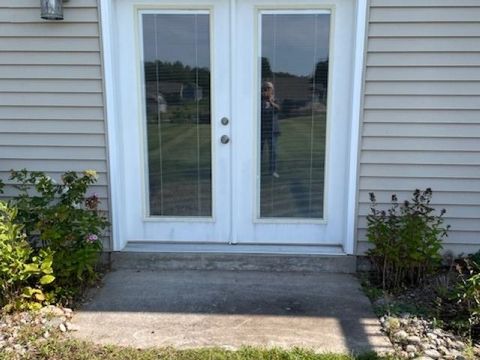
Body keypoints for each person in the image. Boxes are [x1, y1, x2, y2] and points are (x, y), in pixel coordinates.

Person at [260, 81, 280, 178]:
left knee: (273, 151)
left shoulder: (275, 100)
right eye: (265, 89)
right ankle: (257, 170)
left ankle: (272, 171)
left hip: (273, 130)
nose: (267, 91)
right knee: (259, 151)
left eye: (269, 89)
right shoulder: (258, 101)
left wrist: (271, 102)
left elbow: (279, 109)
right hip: (261, 130)